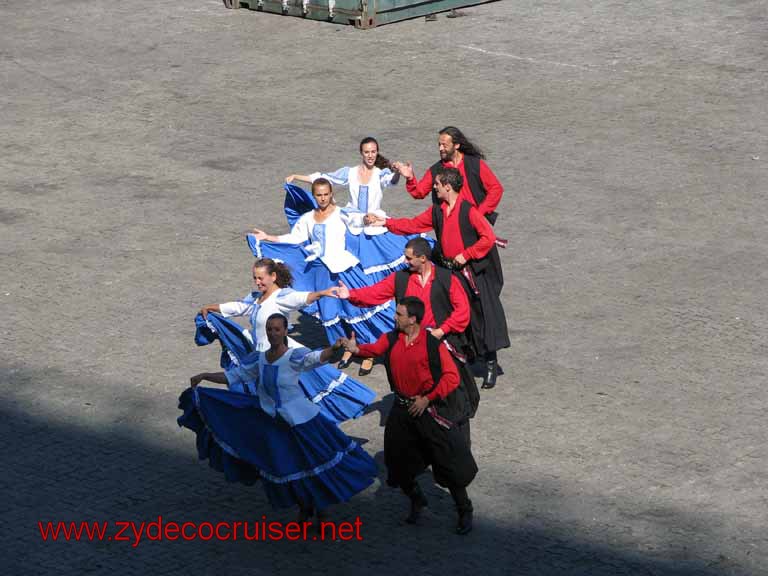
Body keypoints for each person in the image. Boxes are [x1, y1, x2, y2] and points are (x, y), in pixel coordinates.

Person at [179, 314, 378, 521]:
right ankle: (304, 506)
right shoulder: (262, 358)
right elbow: (235, 375)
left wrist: (335, 348)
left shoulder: (293, 357)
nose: (273, 333)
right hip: (275, 424)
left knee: (314, 464)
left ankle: (321, 508)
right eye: (270, 329)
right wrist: (205, 375)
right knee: (289, 465)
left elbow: (315, 358)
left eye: (277, 329)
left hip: (301, 423)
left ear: (285, 331)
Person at [341, 297, 477, 535]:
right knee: (396, 463)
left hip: (428, 410)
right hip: (402, 411)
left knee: (447, 463)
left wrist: (428, 398)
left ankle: (463, 508)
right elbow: (374, 349)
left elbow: (451, 377)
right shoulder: (392, 338)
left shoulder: (432, 345)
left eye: (399, 314)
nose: (395, 317)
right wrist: (356, 350)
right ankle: (417, 499)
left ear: (412, 319)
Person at [367, 167, 510, 389]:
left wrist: (467, 254)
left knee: (480, 317)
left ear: (448, 187)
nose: (434, 188)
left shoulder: (469, 211)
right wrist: (386, 223)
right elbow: (413, 224)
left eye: (437, 184)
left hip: (470, 273)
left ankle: (490, 362)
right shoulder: (437, 211)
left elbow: (488, 238)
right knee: (453, 315)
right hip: (449, 271)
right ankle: (464, 358)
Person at [250, 178, 397, 376]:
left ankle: (369, 352)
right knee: (338, 313)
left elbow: (358, 219)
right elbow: (294, 239)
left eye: (326, 194)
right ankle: (348, 347)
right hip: (322, 272)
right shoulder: (308, 219)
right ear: (314, 195)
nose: (323, 198)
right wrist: (268, 237)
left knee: (356, 310)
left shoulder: (340, 213)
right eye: (319, 195)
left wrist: (366, 219)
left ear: (331, 194)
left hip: (344, 270)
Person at [198, 258, 375, 421]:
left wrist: (321, 293)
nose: (257, 282)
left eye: (261, 278)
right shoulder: (257, 298)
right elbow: (239, 307)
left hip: (281, 359)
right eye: (255, 278)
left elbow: (300, 298)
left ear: (273, 276)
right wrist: (210, 307)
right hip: (262, 358)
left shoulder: (281, 297)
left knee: (293, 399)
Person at [331, 236, 480, 427]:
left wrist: (442, 331)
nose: (404, 261)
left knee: (450, 380)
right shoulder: (400, 279)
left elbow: (462, 310)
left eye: (409, 258)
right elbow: (376, 293)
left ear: (423, 258)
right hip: (410, 340)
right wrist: (350, 295)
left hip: (440, 339)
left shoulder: (446, 278)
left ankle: (453, 418)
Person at [285, 136, 400, 236]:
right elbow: (324, 178)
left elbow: (392, 181)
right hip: (352, 219)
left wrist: (398, 172)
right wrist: (296, 176)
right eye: (366, 152)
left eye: (373, 152)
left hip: (375, 219)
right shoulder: (350, 172)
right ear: (361, 153)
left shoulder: (381, 173)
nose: (370, 156)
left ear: (377, 152)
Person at [393, 126, 504, 224]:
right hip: (449, 223)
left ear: (456, 145)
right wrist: (410, 177)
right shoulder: (436, 170)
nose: (440, 148)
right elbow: (419, 193)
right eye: (439, 145)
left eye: (444, 145)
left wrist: (480, 213)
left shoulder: (475, 164)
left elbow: (496, 189)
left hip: (475, 222)